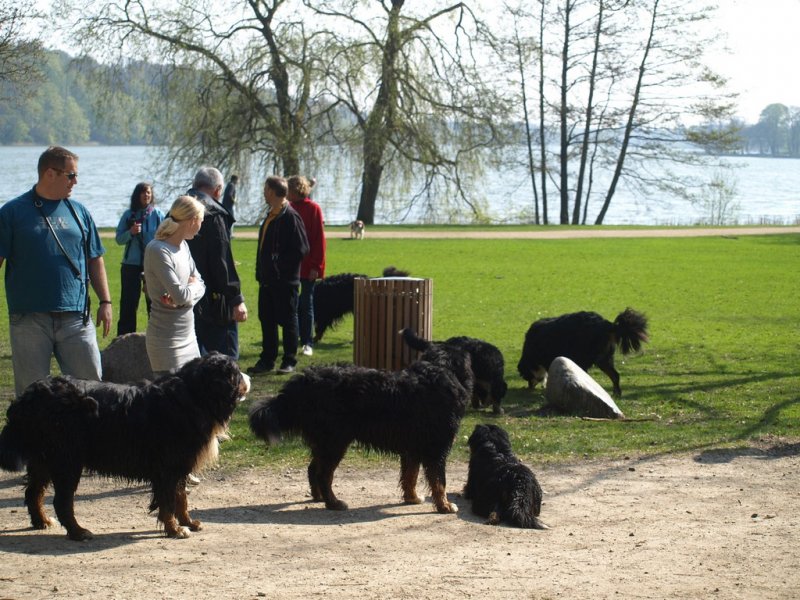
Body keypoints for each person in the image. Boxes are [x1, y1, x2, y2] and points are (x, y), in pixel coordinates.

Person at [0, 145, 112, 397]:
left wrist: (105, 301)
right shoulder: (12, 212)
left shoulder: (80, 212)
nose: (75, 181)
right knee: (31, 396)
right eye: (71, 175)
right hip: (29, 318)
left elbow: (95, 258)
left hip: (76, 317)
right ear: (50, 173)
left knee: (93, 390)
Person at [249, 175, 309, 375]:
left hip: (284, 281)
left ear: (272, 191)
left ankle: (289, 360)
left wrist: (279, 266)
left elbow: (301, 248)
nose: (263, 192)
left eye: (265, 189)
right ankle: (267, 360)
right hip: (267, 280)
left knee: (288, 320)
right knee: (267, 320)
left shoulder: (290, 216)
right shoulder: (271, 215)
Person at [186, 166, 247, 359]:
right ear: (218, 190)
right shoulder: (214, 213)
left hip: (184, 296)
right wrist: (236, 299)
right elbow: (222, 262)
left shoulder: (177, 210)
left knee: (192, 360)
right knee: (225, 360)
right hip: (214, 300)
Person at [143, 195, 206, 377]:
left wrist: (188, 294)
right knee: (171, 393)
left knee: (194, 390)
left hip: (189, 336)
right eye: (201, 221)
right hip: (166, 342)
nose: (201, 225)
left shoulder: (183, 246)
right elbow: (180, 296)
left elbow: (201, 284)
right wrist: (188, 292)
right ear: (193, 220)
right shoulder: (158, 250)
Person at [114, 182, 165, 336]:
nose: (146, 195)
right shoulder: (128, 215)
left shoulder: (158, 215)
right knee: (128, 305)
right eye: (143, 192)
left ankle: (156, 338)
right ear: (137, 195)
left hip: (152, 265)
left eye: (148, 192)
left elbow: (166, 238)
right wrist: (130, 232)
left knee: (154, 304)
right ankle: (124, 339)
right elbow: (119, 239)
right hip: (131, 265)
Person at [287, 175, 326, 357]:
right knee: (292, 304)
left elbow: (319, 239)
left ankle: (307, 341)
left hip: (308, 264)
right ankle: (293, 339)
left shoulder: (313, 208)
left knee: (306, 303)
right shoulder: (287, 207)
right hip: (291, 265)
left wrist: (316, 266)